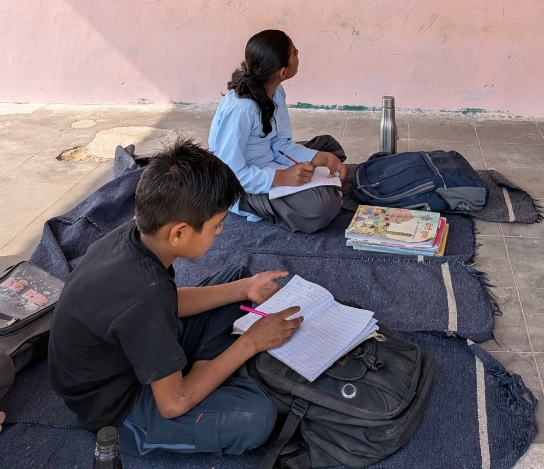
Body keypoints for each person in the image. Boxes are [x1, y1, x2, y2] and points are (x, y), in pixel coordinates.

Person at [48, 139, 303, 458]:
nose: (221, 232)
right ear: (178, 233)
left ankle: (207, 372)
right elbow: (173, 404)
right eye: (217, 225)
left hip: (135, 350)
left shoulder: (133, 240)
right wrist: (251, 342)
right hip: (119, 407)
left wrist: (245, 289)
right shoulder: (144, 292)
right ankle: (210, 375)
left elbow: (170, 302)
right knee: (256, 417)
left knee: (238, 279)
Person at [209, 30, 347, 233]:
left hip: (269, 160)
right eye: (294, 53)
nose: (298, 54)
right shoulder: (241, 109)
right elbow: (228, 173)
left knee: (329, 147)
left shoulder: (276, 91)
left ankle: (317, 187)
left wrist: (318, 157)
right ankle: (253, 204)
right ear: (283, 71)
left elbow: (280, 144)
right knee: (321, 207)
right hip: (239, 184)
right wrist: (282, 178)